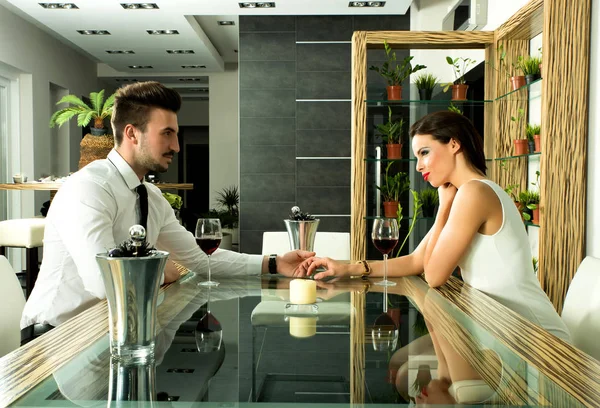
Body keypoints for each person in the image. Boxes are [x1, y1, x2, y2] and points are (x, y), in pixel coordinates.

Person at [21, 81, 314, 338]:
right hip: (57, 336)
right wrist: (163, 272)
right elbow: (105, 283)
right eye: (167, 134)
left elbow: (200, 258)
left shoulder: (149, 195)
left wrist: (274, 263)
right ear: (132, 133)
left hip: (115, 327)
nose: (176, 145)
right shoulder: (88, 188)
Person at [299, 111, 571, 342]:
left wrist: (443, 208)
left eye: (425, 153)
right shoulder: (466, 192)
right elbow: (418, 260)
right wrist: (350, 268)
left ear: (454, 144)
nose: (419, 166)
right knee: (402, 365)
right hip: (499, 325)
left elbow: (434, 276)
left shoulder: (473, 193)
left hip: (535, 336)